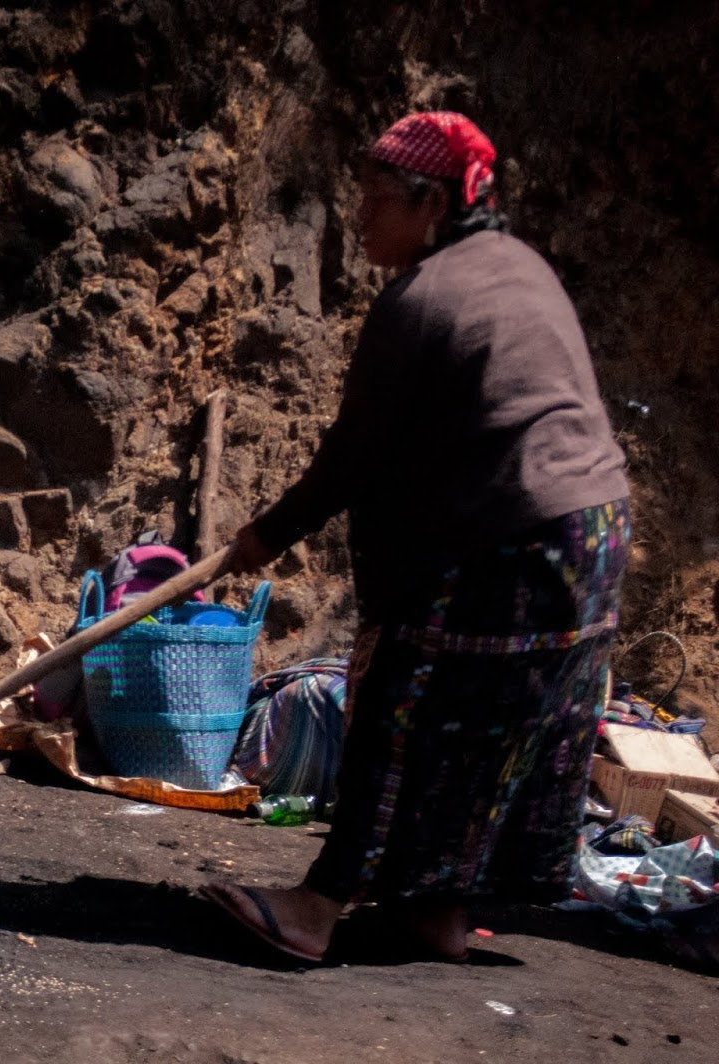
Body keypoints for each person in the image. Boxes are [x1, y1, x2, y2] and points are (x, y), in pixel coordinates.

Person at [203, 112, 631, 963]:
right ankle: (436, 916)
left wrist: (266, 536)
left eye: (371, 200)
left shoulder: (422, 300)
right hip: (596, 533)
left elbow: (355, 458)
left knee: (404, 708)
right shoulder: (520, 269)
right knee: (491, 729)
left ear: (429, 200)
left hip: (513, 539)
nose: (359, 216)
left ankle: (316, 911)